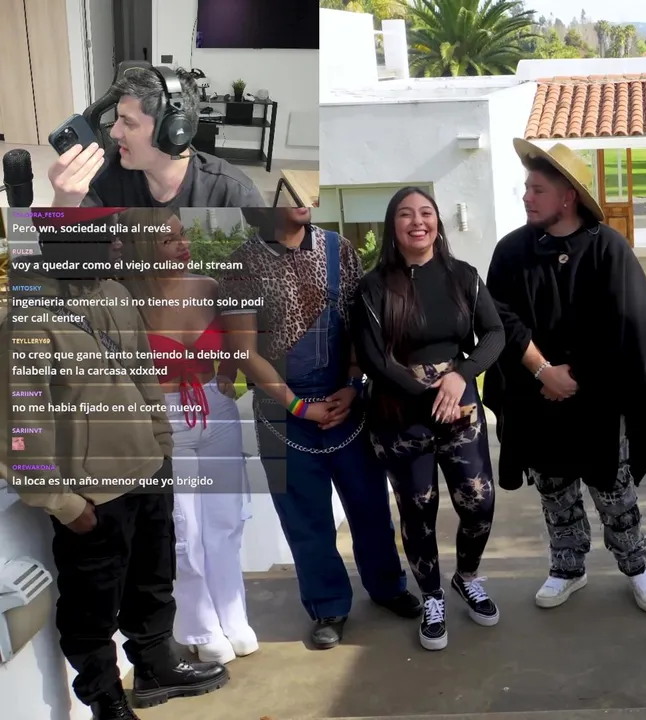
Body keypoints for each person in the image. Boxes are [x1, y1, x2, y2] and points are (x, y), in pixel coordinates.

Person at [2, 209, 228, 719]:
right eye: (106, 238)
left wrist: (161, 444)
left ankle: (155, 665)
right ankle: (106, 699)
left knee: (154, 579)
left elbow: (143, 374)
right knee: (92, 606)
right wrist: (62, 502)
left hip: (148, 469)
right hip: (91, 493)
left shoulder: (116, 294)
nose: (119, 247)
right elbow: (21, 424)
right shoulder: (29, 318)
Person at [484, 140, 646, 612]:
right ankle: (567, 569)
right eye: (527, 188)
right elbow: (500, 318)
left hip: (598, 400)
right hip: (538, 397)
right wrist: (543, 371)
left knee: (615, 491)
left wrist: (573, 378)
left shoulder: (607, 248)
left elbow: (626, 324)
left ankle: (637, 567)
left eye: (538, 189)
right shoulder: (512, 252)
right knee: (554, 492)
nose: (527, 197)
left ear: (568, 196)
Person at [220, 207, 420, 650]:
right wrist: (298, 406)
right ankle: (328, 606)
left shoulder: (338, 250)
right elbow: (244, 351)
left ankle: (388, 587)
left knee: (369, 505)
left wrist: (353, 383)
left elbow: (358, 328)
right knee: (304, 517)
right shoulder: (241, 263)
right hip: (282, 413)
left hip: (345, 402)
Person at [354, 187, 505, 651]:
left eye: (426, 212)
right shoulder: (374, 286)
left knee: (478, 503)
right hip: (400, 416)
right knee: (417, 509)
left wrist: (461, 376)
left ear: (437, 221)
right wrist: (427, 396)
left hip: (459, 410)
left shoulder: (463, 276)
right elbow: (375, 359)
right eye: (406, 214)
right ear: (392, 225)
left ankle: (467, 576)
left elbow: (494, 333)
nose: (417, 221)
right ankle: (433, 596)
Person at [117, 209, 257, 664]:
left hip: (216, 411)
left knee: (226, 520)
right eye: (168, 240)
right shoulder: (124, 298)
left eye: (183, 235)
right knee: (184, 530)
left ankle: (233, 615)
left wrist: (228, 374)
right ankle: (200, 626)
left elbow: (235, 339)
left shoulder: (209, 287)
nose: (183, 245)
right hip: (163, 418)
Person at [47, 65, 266, 208]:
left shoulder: (233, 194)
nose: (113, 133)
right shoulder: (103, 176)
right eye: (117, 119)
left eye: (128, 122)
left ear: (173, 131)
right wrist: (64, 202)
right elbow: (60, 256)